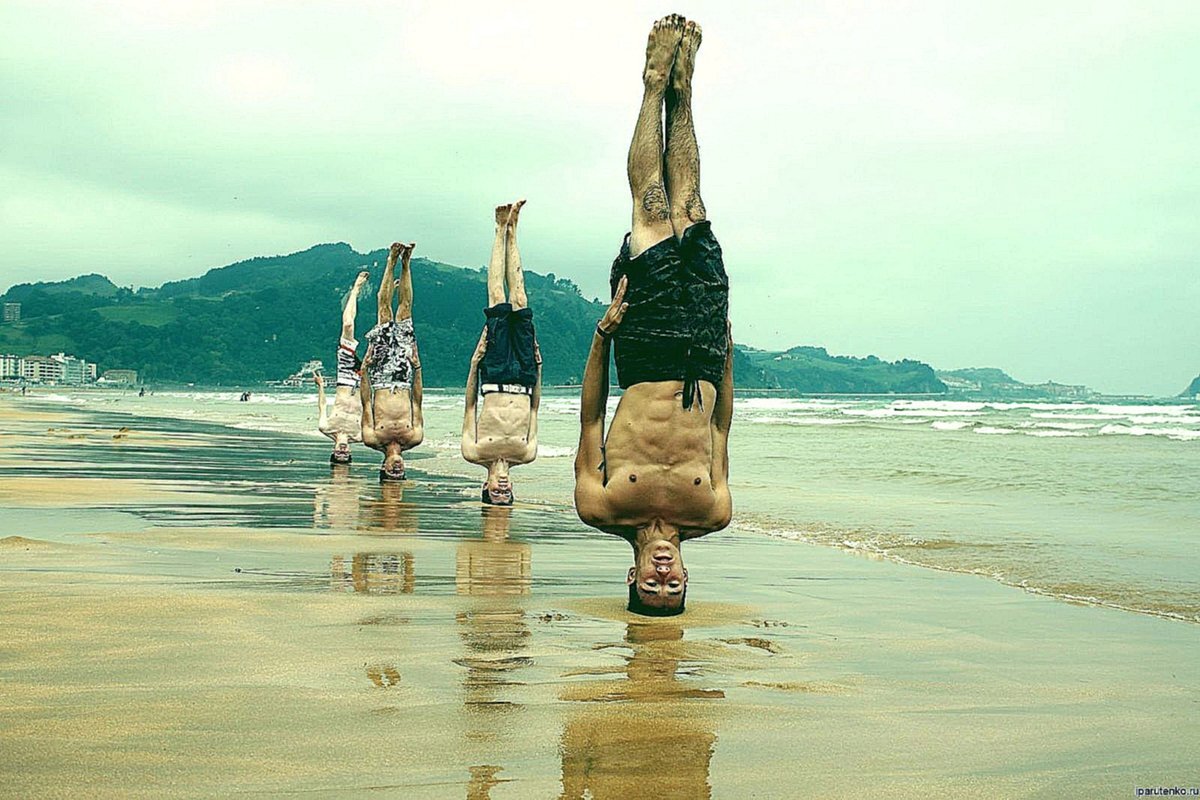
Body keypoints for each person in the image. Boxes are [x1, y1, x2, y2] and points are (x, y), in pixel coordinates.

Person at [573, 15, 733, 616]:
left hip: (640, 355)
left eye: (650, 587)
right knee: (691, 205)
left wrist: (600, 338)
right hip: (702, 351)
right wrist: (725, 354)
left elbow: (591, 421)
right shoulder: (713, 512)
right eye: (672, 587)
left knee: (652, 208)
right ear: (688, 579)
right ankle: (684, 97)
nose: (662, 577)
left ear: (632, 578)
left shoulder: (602, 507)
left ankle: (652, 84)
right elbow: (720, 429)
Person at [461, 201, 542, 505]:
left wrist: (474, 362)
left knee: (498, 298)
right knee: (519, 299)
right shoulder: (527, 454)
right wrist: (539, 367)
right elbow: (534, 409)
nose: (502, 488)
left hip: (493, 376)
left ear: (486, 487)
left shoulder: (474, 452)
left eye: (496, 492)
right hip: (524, 376)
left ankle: (499, 230)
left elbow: (470, 406)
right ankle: (515, 229)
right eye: (506, 494)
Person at [361, 241, 424, 481]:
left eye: (391, 472)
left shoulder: (372, 438)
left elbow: (366, 402)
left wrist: (364, 368)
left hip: (379, 378)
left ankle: (391, 260)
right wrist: (417, 366)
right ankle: (407, 262)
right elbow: (417, 401)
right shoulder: (414, 437)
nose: (397, 469)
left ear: (383, 468)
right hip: (404, 376)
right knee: (405, 311)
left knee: (384, 310)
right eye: (401, 473)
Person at [316, 270, 369, 464]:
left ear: (333, 450)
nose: (343, 452)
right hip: (365, 383)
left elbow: (323, 405)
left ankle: (355, 290)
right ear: (350, 454)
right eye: (345, 456)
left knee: (347, 326)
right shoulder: (361, 436)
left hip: (346, 377)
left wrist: (320, 386)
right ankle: (387, 299)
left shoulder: (326, 427)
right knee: (382, 339)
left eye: (338, 455)